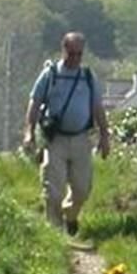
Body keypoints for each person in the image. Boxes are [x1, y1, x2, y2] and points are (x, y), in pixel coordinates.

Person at [24, 32, 111, 238]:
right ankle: (54, 237)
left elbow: (98, 107)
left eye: (79, 54)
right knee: (53, 191)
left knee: (82, 189)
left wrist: (104, 136)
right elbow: (34, 103)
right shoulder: (50, 74)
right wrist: (29, 132)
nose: (75, 58)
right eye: (71, 53)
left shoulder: (88, 77)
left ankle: (70, 215)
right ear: (63, 50)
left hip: (81, 139)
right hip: (55, 140)